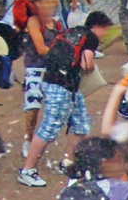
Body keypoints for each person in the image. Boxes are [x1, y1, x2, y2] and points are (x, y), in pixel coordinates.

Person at [19, 11, 114, 187]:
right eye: (105, 29)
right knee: (50, 127)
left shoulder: (73, 32)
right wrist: (91, 71)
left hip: (58, 81)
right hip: (61, 85)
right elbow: (87, 64)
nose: (106, 34)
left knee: (81, 123)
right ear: (97, 26)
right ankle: (27, 170)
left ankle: (69, 163)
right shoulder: (91, 38)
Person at [20, 0, 64, 159]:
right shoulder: (34, 22)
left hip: (53, 69)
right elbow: (41, 48)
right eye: (46, 4)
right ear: (37, 5)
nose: (50, 7)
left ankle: (44, 140)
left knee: (58, 107)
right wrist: (63, 54)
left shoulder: (57, 24)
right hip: (36, 68)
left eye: (53, 4)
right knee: (33, 108)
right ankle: (28, 139)